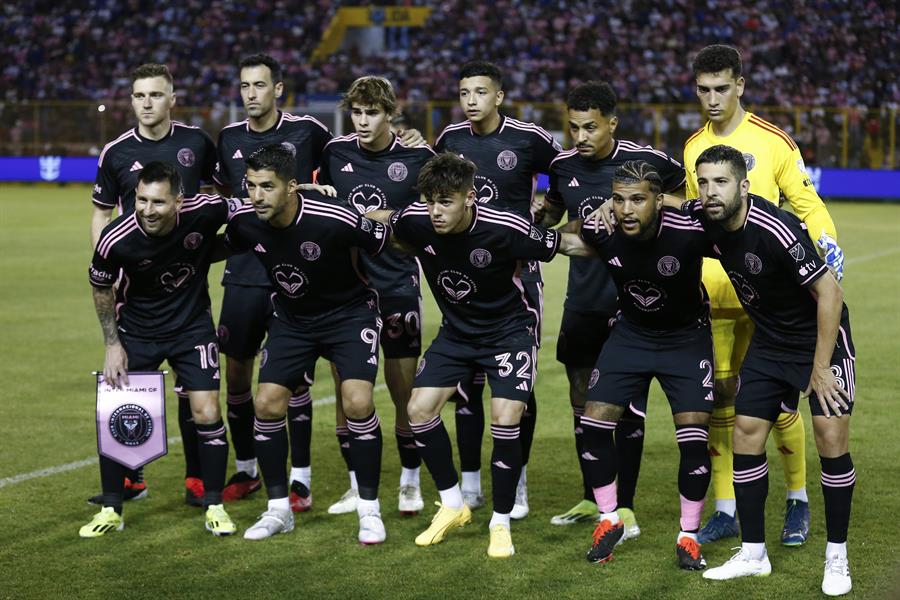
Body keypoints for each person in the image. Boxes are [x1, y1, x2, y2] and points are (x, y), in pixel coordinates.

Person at [367, 152, 584, 557]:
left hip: (509, 333)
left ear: (469, 198)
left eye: (445, 202)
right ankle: (452, 504)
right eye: (430, 200)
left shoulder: (506, 227)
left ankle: (500, 523)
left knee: (505, 418)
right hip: (457, 334)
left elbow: (569, 245)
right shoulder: (417, 219)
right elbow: (383, 219)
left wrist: (629, 240)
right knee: (418, 409)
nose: (435, 211)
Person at [683, 44, 844, 546]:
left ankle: (796, 500)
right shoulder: (693, 149)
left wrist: (828, 243)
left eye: (721, 88)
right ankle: (727, 506)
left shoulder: (773, 141)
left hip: (775, 298)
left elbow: (806, 203)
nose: (712, 99)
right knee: (721, 400)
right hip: (718, 292)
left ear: (740, 86)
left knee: (776, 403)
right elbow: (696, 213)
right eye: (703, 89)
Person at [693, 145, 855, 597]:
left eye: (721, 182)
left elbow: (831, 295)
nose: (710, 191)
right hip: (770, 340)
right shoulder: (707, 215)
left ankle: (836, 556)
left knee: (831, 439)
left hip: (820, 339)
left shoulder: (776, 229)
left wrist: (820, 369)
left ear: (744, 186)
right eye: (703, 182)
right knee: (745, 431)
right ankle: (752, 553)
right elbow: (664, 205)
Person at [224, 144, 389, 544]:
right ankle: (279, 510)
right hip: (293, 320)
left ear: (292, 187)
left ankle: (369, 510)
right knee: (265, 403)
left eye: (267, 186)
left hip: (349, 315)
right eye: (251, 186)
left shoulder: (334, 217)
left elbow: (385, 238)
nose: (257, 195)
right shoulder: (244, 221)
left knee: (357, 402)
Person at [541, 81, 686, 532]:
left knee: (627, 408)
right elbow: (550, 216)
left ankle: (625, 507)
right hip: (583, 300)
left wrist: (625, 210)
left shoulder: (649, 162)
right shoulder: (563, 166)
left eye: (590, 127)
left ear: (612, 124)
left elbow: (687, 203)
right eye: (573, 127)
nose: (580, 136)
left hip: (635, 305)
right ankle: (592, 498)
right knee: (583, 401)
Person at [563, 161, 714, 570]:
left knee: (694, 441)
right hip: (630, 334)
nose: (626, 209)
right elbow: (562, 240)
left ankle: (689, 537)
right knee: (593, 424)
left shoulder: (689, 231)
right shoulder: (603, 230)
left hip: (686, 339)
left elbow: (737, 241)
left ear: (659, 200)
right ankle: (609, 518)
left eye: (637, 199)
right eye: (618, 199)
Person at [433, 60, 560, 517]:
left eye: (480, 92)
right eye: (464, 92)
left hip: (518, 276)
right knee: (466, 382)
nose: (471, 101)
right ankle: (469, 485)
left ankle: (517, 481)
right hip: (465, 278)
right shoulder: (450, 140)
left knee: (516, 384)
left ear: (499, 96)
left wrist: (548, 206)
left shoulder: (528, 138)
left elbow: (564, 171)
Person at [82, 161, 235, 538]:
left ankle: (214, 504)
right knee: (118, 413)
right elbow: (101, 289)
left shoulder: (206, 210)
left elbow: (253, 204)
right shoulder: (115, 238)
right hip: (137, 330)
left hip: (191, 327)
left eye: (159, 203)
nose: (148, 211)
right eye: (142, 200)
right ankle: (112, 509)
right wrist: (112, 345)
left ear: (179, 201)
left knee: (207, 410)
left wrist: (308, 192)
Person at [89, 63, 217, 507]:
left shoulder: (197, 143)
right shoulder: (115, 152)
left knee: (193, 387)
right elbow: (103, 214)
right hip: (136, 285)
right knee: (132, 384)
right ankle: (130, 477)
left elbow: (219, 198)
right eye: (139, 95)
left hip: (184, 281)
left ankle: (198, 478)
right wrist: (108, 259)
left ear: (171, 99)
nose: (147, 103)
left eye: (155, 95)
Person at [213, 53, 332, 508]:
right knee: (238, 375)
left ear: (278, 89)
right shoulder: (226, 139)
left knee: (294, 381)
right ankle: (245, 469)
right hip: (243, 275)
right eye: (244, 86)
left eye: (259, 85)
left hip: (295, 275)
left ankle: (299, 478)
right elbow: (222, 199)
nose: (250, 94)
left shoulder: (310, 132)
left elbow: (351, 155)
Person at [317, 75, 435, 516]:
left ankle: (409, 480)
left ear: (391, 114)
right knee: (347, 390)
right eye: (358, 112)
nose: (363, 122)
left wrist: (391, 215)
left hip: (397, 285)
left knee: (402, 386)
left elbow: (439, 206)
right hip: (345, 291)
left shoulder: (418, 154)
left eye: (373, 113)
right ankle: (354, 484)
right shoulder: (335, 152)